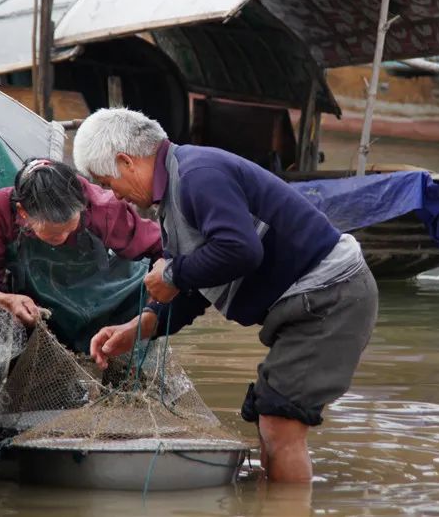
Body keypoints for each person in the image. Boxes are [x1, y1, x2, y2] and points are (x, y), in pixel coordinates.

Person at [72, 108, 378, 483]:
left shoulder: (199, 175)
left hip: (330, 297)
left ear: (126, 162)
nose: (115, 195)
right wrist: (139, 326)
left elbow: (241, 250)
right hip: (308, 304)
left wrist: (172, 272)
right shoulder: (175, 196)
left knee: (280, 425)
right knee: (269, 418)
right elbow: (199, 284)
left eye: (108, 181)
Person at [0, 157, 162, 353]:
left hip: (111, 301)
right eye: (54, 233)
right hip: (45, 312)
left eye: (69, 228)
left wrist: (151, 310)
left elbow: (161, 247)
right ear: (23, 213)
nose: (63, 237)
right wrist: (4, 298)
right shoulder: (5, 207)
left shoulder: (104, 208)